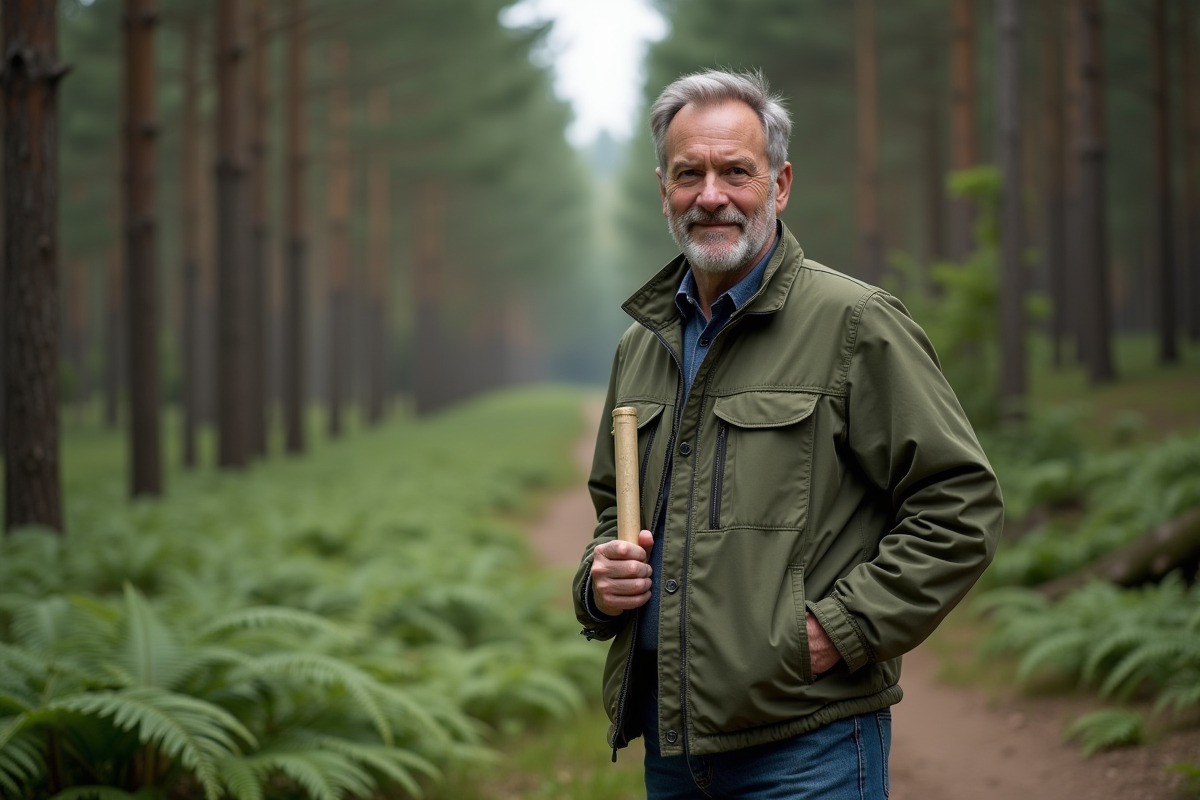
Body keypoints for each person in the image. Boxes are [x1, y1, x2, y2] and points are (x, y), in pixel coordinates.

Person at [572, 69, 1004, 800]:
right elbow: (617, 512)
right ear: (663, 189)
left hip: (809, 749)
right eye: (690, 174)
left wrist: (839, 629)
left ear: (780, 184)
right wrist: (598, 584)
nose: (711, 194)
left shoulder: (856, 323)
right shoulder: (640, 346)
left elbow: (958, 506)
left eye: (736, 171)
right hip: (672, 745)